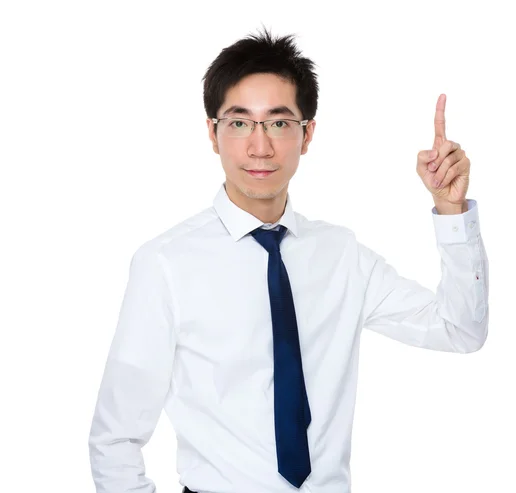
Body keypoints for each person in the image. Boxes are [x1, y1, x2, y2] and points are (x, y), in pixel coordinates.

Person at [88, 27, 489, 493]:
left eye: (279, 122)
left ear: (307, 133)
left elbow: (461, 330)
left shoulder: (342, 256)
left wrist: (451, 211)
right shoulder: (165, 263)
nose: (260, 147)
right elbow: (116, 438)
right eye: (239, 122)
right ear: (213, 134)